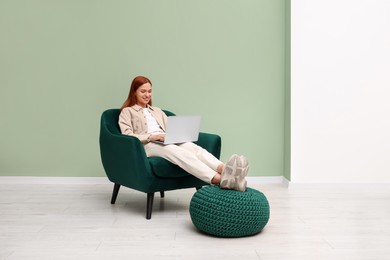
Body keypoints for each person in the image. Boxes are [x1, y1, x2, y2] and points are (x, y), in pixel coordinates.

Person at [118, 76, 248, 192]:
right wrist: (151, 136)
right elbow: (126, 135)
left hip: (164, 139)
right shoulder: (127, 112)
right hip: (148, 144)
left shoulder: (157, 111)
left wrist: (177, 135)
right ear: (134, 92)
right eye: (143, 91)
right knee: (178, 152)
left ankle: (226, 170)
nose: (147, 94)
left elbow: (170, 129)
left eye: (149, 91)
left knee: (195, 149)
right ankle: (218, 179)